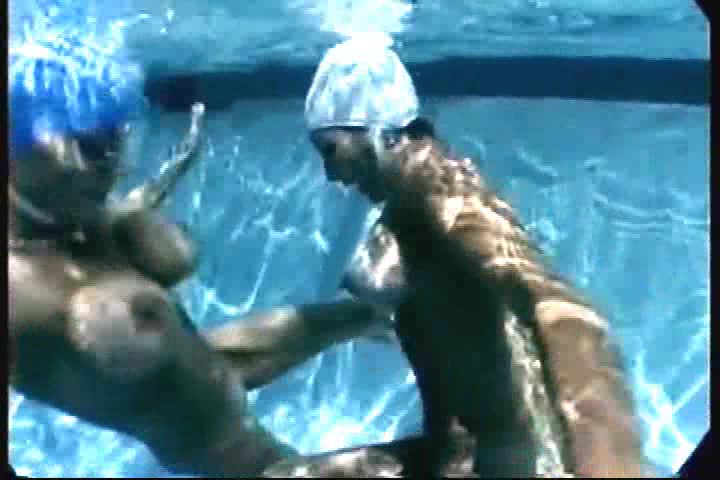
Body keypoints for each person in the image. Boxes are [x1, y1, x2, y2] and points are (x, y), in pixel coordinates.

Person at [8, 31, 394, 477]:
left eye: (115, 141)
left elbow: (204, 367)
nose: (109, 166)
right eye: (86, 144)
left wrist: (357, 317)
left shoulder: (80, 227)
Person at [290, 34, 653, 477]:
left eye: (331, 150)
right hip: (459, 457)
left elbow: (565, 312)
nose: (331, 174)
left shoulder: (444, 193)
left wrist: (609, 465)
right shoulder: (406, 210)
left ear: (377, 130)